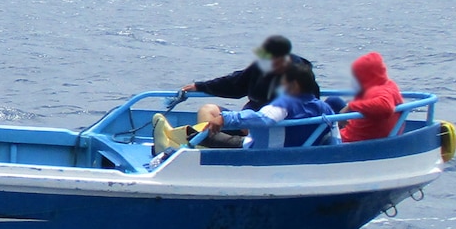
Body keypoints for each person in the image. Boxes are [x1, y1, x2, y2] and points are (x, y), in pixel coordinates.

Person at [156, 59, 336, 153]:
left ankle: (168, 143)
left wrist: (226, 118)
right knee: (208, 124)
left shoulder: (284, 104)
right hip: (290, 149)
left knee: (201, 137)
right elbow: (333, 134)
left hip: (255, 149)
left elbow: (264, 118)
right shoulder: (323, 107)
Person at [182, 34, 311, 112]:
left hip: (274, 123)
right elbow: (235, 83)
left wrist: (250, 120)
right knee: (208, 110)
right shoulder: (261, 67)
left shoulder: (300, 74)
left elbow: (296, 106)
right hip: (253, 118)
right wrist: (200, 86)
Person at [339, 52, 404, 143]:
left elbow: (385, 106)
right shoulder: (389, 85)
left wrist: (351, 106)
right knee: (334, 101)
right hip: (370, 130)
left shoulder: (378, 91)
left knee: (323, 133)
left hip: (352, 139)